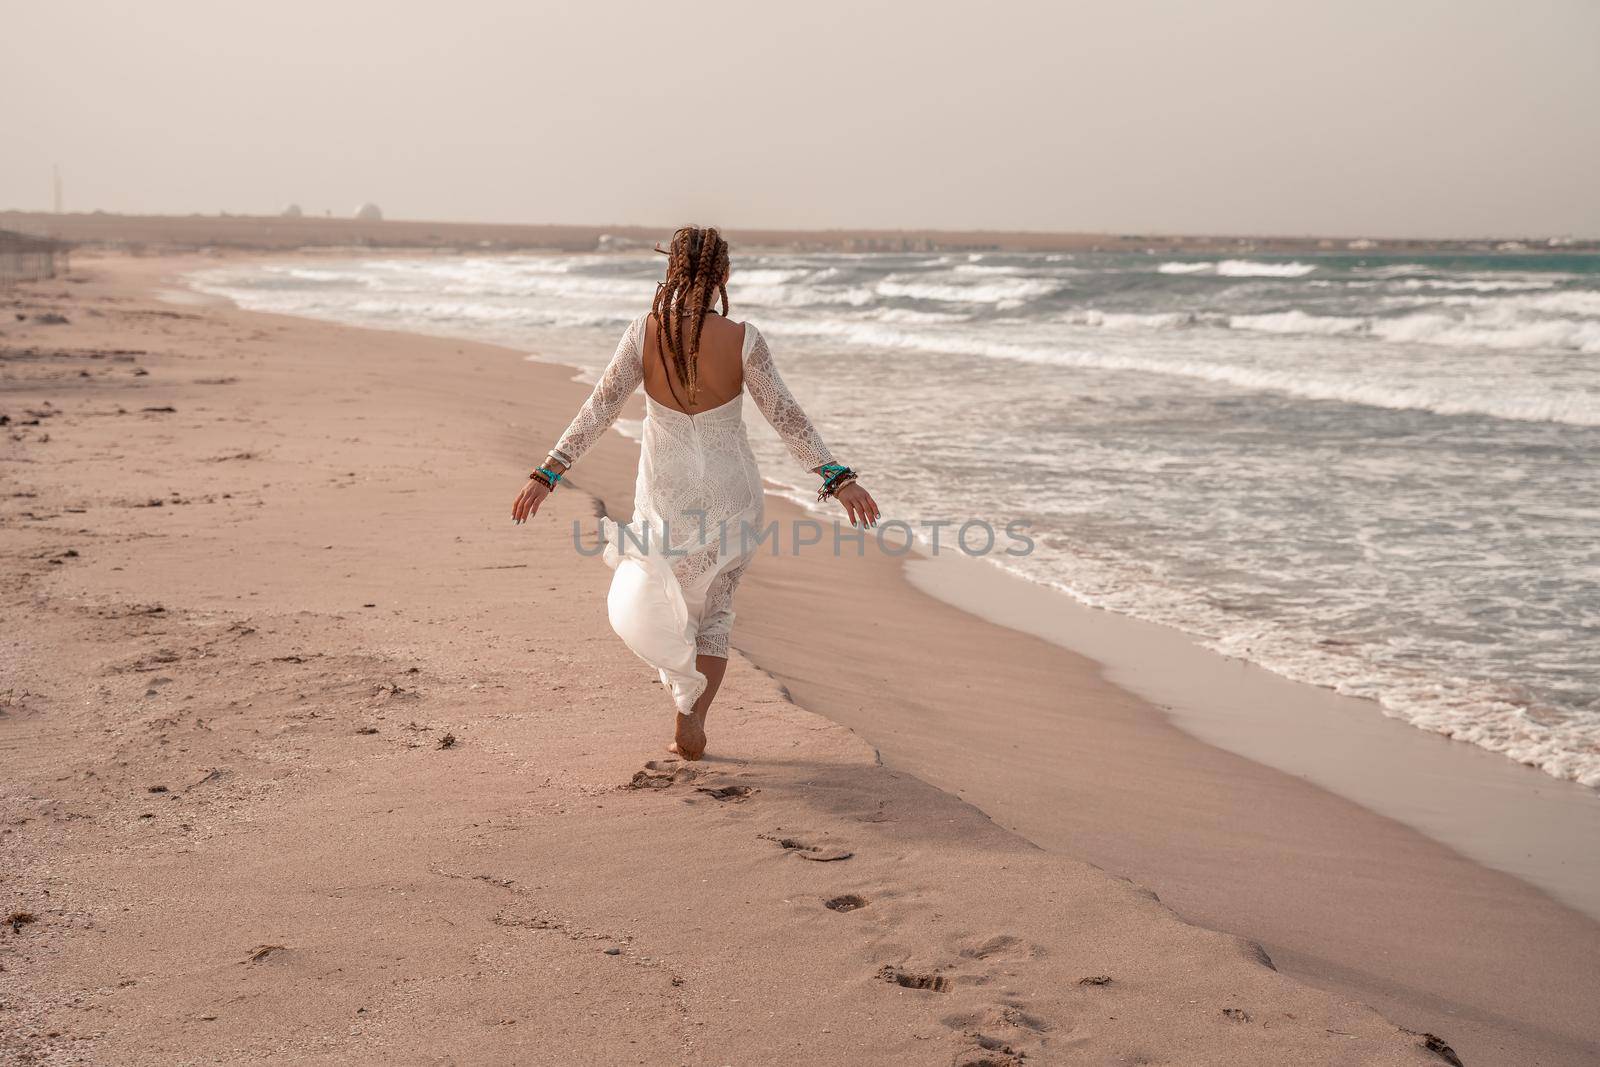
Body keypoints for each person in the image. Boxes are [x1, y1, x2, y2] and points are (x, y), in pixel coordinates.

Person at [511, 225, 878, 760]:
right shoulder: (743, 338)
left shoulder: (644, 333)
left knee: (667, 597)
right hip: (734, 494)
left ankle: (682, 690)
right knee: (717, 611)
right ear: (724, 276)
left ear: (671, 273)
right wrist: (838, 479)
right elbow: (788, 419)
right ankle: (693, 713)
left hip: (666, 494)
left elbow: (599, 408)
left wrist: (549, 472)